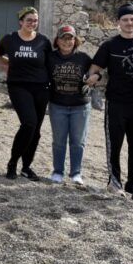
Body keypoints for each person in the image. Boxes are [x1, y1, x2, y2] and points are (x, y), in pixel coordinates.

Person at [86, 3, 133, 196]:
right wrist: (94, 78)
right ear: (118, 22)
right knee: (114, 144)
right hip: (116, 102)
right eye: (125, 19)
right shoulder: (110, 45)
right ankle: (114, 183)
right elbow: (94, 69)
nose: (129, 23)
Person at [0, 6, 52, 180]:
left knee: (35, 130)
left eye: (35, 20)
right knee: (29, 123)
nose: (32, 23)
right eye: (28, 20)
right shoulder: (10, 39)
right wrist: (8, 63)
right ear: (21, 21)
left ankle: (26, 167)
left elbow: (49, 63)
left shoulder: (43, 41)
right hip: (18, 86)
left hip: (41, 87)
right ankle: (13, 162)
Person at [47, 25, 93, 186]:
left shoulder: (84, 57)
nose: (67, 42)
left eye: (70, 38)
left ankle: (76, 173)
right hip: (57, 105)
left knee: (78, 141)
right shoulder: (50, 57)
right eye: (63, 38)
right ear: (57, 41)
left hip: (80, 106)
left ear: (75, 40)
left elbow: (97, 72)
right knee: (58, 141)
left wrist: (96, 76)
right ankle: (57, 171)